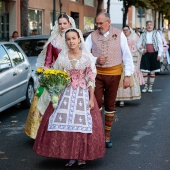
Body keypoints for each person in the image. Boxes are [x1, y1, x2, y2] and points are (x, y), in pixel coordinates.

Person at [33, 28, 105, 168]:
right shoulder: (62, 57)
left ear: (79, 39)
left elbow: (90, 79)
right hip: (66, 93)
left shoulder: (86, 57)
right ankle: (71, 156)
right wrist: (56, 92)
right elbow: (57, 76)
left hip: (82, 93)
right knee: (65, 124)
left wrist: (91, 99)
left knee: (82, 125)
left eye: (74, 38)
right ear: (66, 41)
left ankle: (82, 156)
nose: (71, 41)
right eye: (68, 39)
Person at [85, 12, 134, 148]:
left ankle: (107, 135)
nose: (98, 26)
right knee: (96, 104)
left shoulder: (119, 34)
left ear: (109, 22)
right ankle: (97, 134)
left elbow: (127, 55)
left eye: (101, 23)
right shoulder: (91, 36)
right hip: (96, 75)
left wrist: (128, 76)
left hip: (114, 74)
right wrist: (95, 59)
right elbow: (84, 54)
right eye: (97, 23)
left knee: (110, 104)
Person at [24, 14, 76, 139]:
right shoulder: (54, 40)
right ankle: (44, 134)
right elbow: (48, 60)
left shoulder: (75, 38)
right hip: (55, 75)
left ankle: (68, 133)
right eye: (60, 23)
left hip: (72, 76)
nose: (62, 26)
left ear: (69, 24)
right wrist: (47, 73)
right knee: (45, 99)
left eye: (64, 23)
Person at [116, 25, 144, 107]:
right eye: (124, 30)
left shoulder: (134, 38)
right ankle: (118, 98)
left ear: (129, 30)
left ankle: (125, 98)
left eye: (126, 30)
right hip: (121, 59)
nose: (125, 31)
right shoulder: (119, 38)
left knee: (129, 76)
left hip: (132, 57)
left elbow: (139, 46)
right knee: (119, 77)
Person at [137, 21, 163, 93]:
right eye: (148, 25)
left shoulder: (156, 33)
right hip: (146, 54)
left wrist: (159, 54)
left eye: (150, 25)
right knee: (145, 72)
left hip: (154, 53)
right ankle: (145, 86)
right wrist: (142, 50)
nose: (149, 26)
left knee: (152, 71)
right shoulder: (143, 34)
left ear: (153, 26)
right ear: (146, 26)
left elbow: (160, 44)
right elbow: (138, 44)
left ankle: (150, 86)